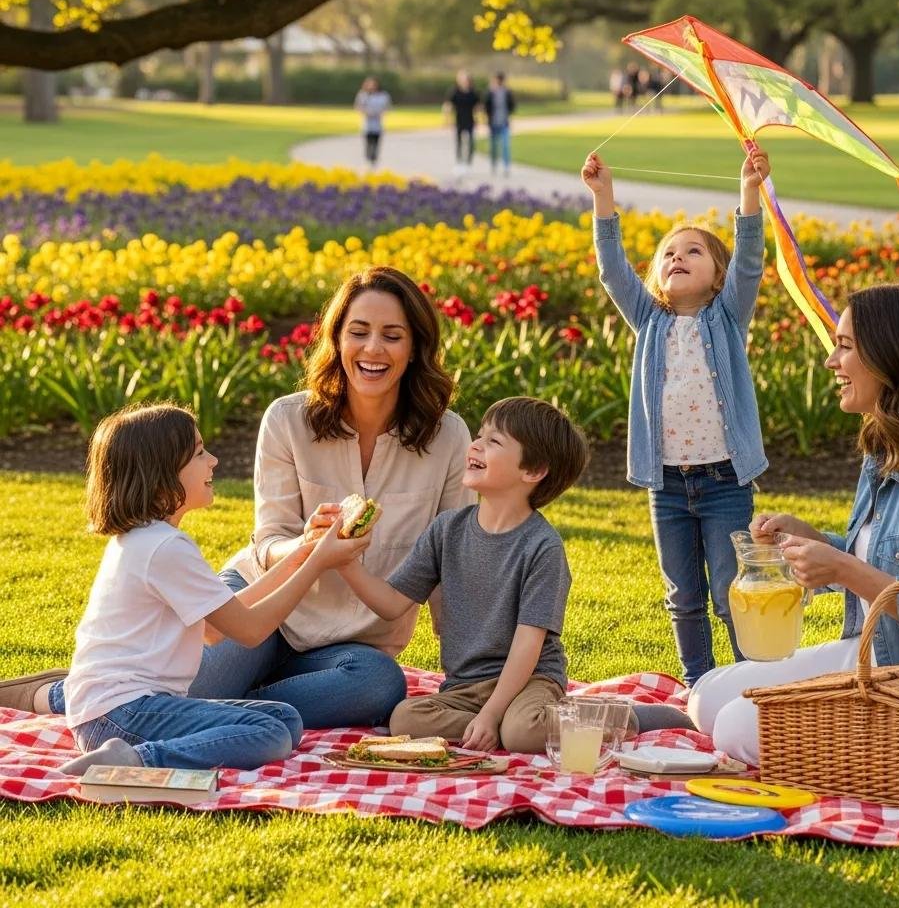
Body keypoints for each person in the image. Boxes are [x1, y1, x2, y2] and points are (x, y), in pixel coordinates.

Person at [2, 268, 473, 729]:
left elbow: (448, 564)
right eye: (359, 332)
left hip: (353, 642)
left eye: (392, 335)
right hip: (256, 602)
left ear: (414, 348)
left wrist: (462, 673)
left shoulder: (447, 436)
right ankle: (64, 693)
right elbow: (269, 540)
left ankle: (231, 702)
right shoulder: (288, 420)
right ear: (337, 340)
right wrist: (310, 545)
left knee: (378, 686)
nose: (373, 349)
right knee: (188, 686)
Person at [688, 284, 899, 764]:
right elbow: (891, 552)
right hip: (883, 656)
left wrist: (841, 568)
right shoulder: (890, 445)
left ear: (892, 356)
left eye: (845, 346)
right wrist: (815, 541)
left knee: (738, 728)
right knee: (708, 697)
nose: (831, 361)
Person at [49, 403, 372, 776]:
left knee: (283, 717)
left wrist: (302, 552)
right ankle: (135, 760)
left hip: (111, 710)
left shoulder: (150, 540)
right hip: (120, 713)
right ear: (163, 474)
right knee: (270, 733)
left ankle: (140, 749)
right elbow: (249, 630)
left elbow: (216, 629)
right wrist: (319, 562)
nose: (214, 461)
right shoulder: (165, 547)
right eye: (200, 452)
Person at [581, 145, 771, 689]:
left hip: (724, 482)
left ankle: (747, 683)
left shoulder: (727, 316)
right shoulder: (648, 319)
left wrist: (749, 192)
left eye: (694, 251)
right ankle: (699, 683)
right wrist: (603, 198)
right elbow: (613, 271)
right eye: (668, 254)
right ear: (658, 276)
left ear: (718, 275)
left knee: (731, 592)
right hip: (665, 484)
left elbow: (752, 260)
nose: (677, 257)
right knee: (682, 596)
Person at [332, 397, 587, 753]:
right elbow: (391, 604)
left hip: (530, 680)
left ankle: (610, 719)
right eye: (480, 436)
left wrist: (493, 712)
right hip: (465, 687)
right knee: (404, 718)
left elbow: (528, 645)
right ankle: (493, 726)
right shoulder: (447, 529)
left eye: (494, 441)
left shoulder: (542, 547)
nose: (475, 445)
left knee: (522, 733)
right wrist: (345, 562)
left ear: (533, 471)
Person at [443, 70, 481, 170]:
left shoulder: (473, 92)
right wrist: (447, 119)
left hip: (470, 119)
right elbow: (448, 105)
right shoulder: (454, 92)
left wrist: (479, 119)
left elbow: (477, 107)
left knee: (471, 142)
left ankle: (468, 161)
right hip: (459, 119)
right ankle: (459, 161)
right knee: (459, 141)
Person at [354, 76, 392, 168]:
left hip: (378, 124)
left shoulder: (383, 95)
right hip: (367, 124)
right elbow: (358, 106)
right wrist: (366, 112)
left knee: (376, 142)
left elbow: (388, 107)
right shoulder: (363, 95)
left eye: (374, 84)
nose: (372, 86)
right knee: (368, 142)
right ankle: (368, 159)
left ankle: (374, 160)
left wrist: (381, 113)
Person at [484, 72, 517, 176]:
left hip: (504, 123)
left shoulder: (507, 92)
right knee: (494, 146)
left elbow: (512, 106)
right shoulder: (490, 92)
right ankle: (494, 165)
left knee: (505, 146)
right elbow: (486, 106)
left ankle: (506, 167)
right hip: (493, 123)